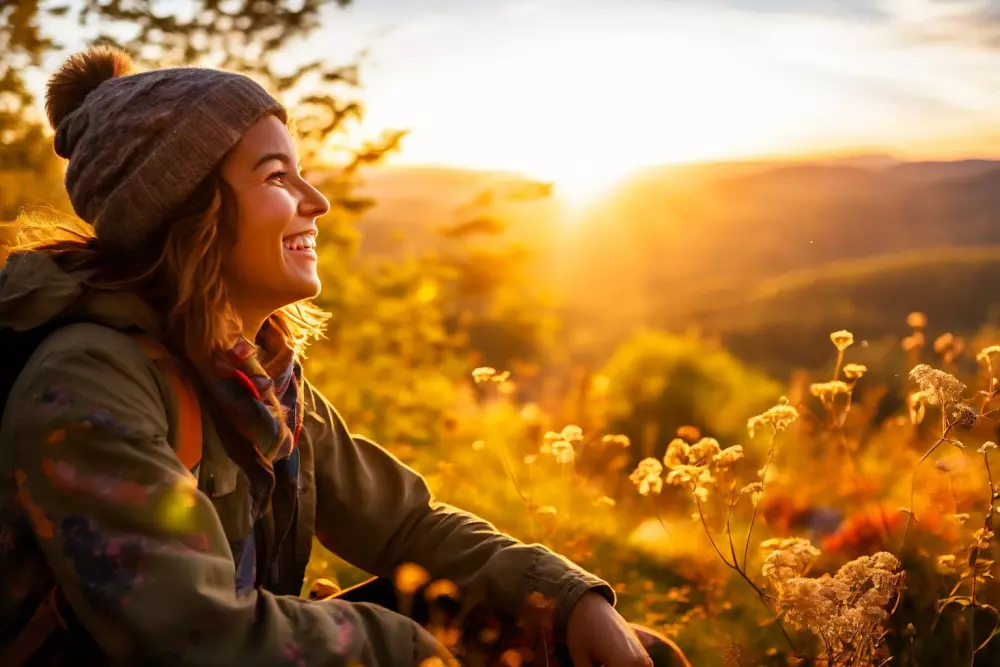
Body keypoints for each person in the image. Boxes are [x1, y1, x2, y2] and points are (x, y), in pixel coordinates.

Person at [0, 47, 689, 667]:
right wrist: (423, 653)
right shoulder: (88, 383)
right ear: (190, 210)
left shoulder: (254, 376)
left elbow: (406, 524)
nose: (316, 202)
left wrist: (570, 599)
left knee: (580, 637)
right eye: (276, 177)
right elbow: (197, 636)